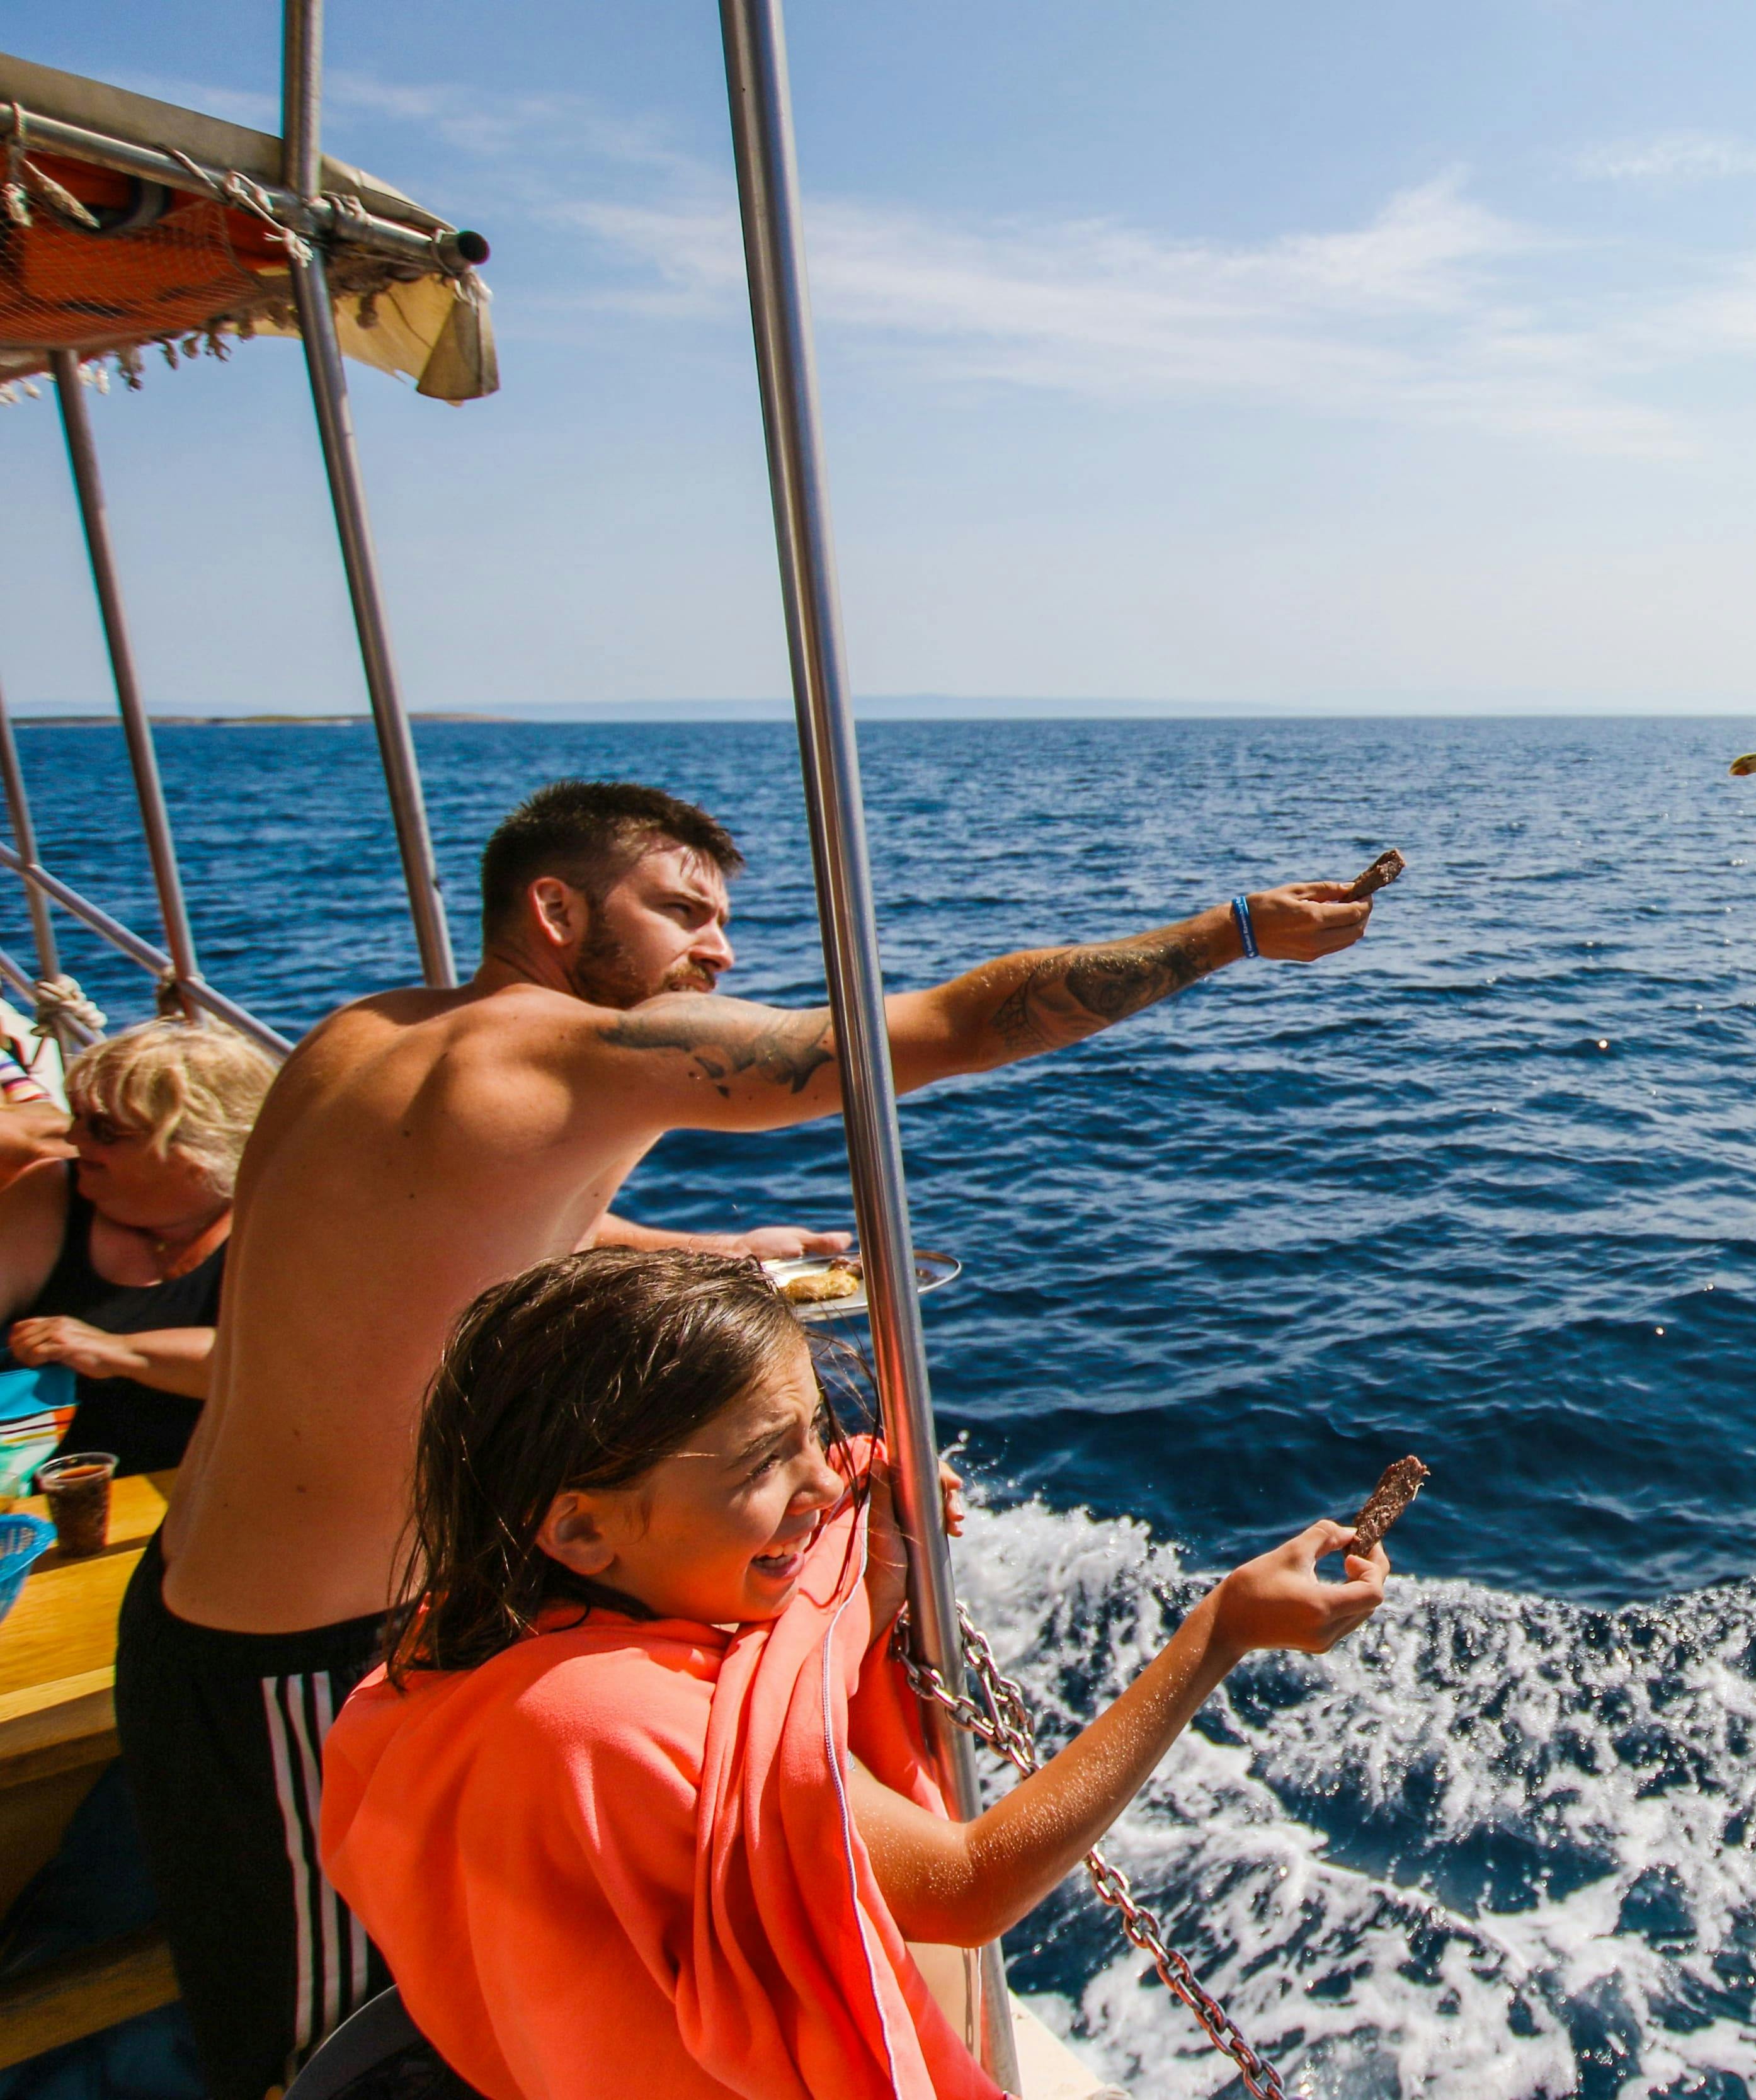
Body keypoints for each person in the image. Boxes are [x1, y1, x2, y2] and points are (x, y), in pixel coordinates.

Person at [118, 779, 1373, 2100]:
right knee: (336, 2052)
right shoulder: (562, 1055)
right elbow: (940, 1028)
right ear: (554, 907)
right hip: (297, 1659)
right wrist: (1231, 930)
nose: (717, 950)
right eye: (680, 911)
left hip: (198, 1594)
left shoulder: (362, 1037)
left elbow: (467, 1224)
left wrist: (718, 1249)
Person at [320, 1247, 1385, 2100]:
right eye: (760, 1464)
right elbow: (967, 1883)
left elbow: (762, 1705)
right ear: (581, 1526)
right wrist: (1219, 1631)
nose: (826, 1477)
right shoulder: (606, 1722)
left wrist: (863, 1584)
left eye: (821, 1436)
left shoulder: (457, 1648)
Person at [0, 1020, 277, 1475]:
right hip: (43, 1492)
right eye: (78, 1117)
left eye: (102, 1129)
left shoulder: (275, 1217)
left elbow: (276, 1363)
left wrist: (118, 1351)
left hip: (219, 1491)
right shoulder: (51, 1191)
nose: (74, 1139)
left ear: (194, 1148)